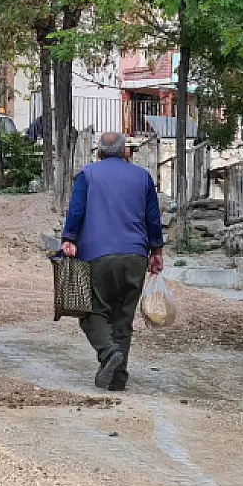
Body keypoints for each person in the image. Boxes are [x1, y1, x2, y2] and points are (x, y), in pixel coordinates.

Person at [61, 131, 164, 392]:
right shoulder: (143, 177)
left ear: (98, 153)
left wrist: (69, 238)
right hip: (135, 256)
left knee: (91, 311)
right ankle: (118, 379)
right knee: (123, 317)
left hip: (98, 255)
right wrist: (157, 252)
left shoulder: (87, 175)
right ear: (126, 152)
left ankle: (108, 354)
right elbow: (153, 218)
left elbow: (76, 210)